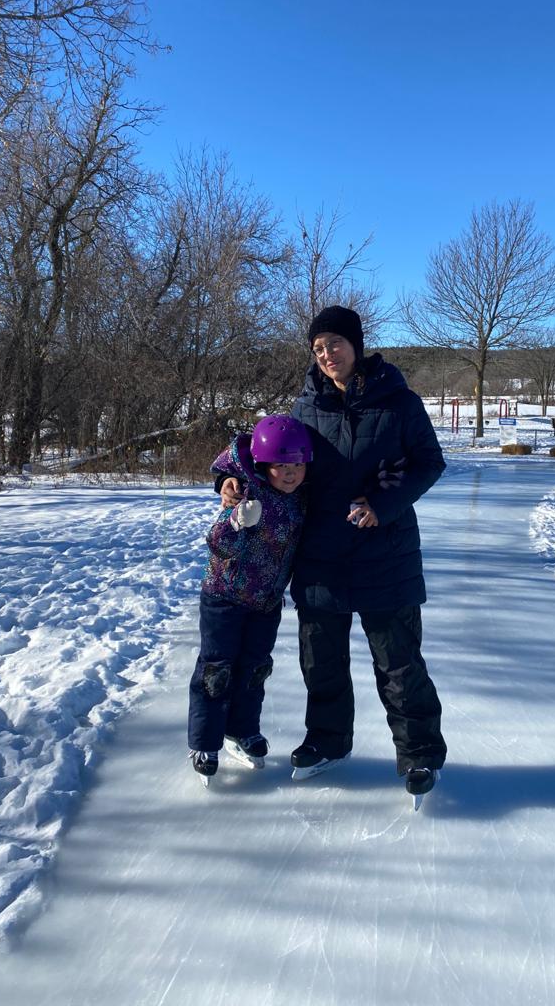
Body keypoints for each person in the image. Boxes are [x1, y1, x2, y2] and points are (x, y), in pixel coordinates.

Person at [220, 305, 447, 801]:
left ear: (356, 345)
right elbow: (269, 457)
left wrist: (383, 504)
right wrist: (230, 480)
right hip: (321, 554)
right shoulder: (306, 407)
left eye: (335, 344)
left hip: (386, 554)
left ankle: (420, 753)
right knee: (320, 661)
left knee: (399, 664)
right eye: (318, 348)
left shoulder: (400, 402)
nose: (327, 354)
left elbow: (430, 463)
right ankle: (327, 741)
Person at [188, 415, 312, 785]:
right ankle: (205, 742)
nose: (290, 474)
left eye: (297, 466)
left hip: (266, 602)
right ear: (262, 465)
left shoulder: (302, 498)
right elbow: (217, 544)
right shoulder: (246, 492)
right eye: (280, 467)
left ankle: (242, 730)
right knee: (217, 670)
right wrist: (236, 522)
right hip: (225, 596)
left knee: (255, 669)